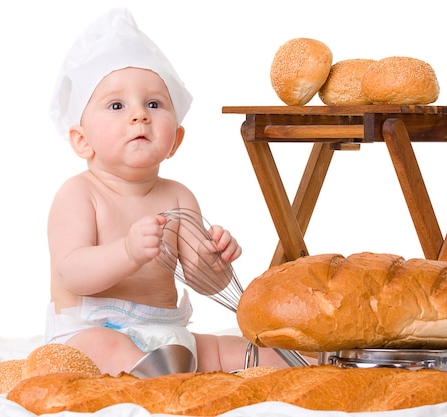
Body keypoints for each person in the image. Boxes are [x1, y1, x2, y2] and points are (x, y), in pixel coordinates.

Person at [44, 8, 297, 376]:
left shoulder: (178, 197)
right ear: (82, 141)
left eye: (154, 104)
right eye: (117, 105)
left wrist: (216, 262)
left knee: (246, 350)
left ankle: (305, 365)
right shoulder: (79, 194)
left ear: (175, 140)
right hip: (91, 332)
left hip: (169, 334)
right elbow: (73, 273)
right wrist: (127, 251)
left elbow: (201, 279)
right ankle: (160, 376)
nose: (139, 116)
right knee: (107, 348)